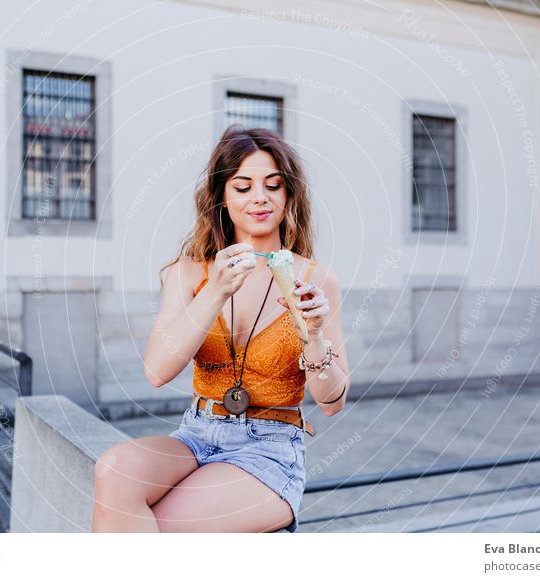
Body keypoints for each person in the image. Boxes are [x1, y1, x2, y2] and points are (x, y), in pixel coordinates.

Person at [91, 124, 350, 533]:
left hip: (271, 447)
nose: (259, 198)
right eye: (243, 186)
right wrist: (215, 291)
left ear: (289, 196)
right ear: (222, 198)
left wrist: (313, 335)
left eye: (273, 185)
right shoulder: (190, 273)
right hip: (197, 432)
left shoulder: (316, 279)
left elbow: (333, 401)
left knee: (157, 527)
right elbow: (157, 372)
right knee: (114, 470)